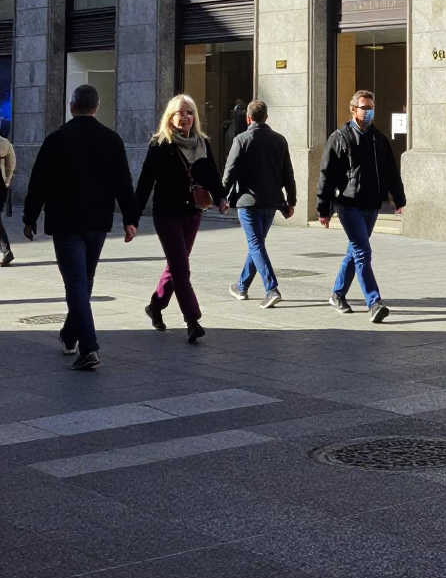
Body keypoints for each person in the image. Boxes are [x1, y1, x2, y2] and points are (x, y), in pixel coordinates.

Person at [22, 84, 137, 370]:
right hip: (98, 221)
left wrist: (29, 218)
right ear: (96, 107)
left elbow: (38, 181)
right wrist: (130, 218)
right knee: (85, 279)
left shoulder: (56, 139)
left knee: (75, 281)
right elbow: (124, 182)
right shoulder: (111, 139)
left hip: (66, 221)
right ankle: (69, 334)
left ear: (71, 107)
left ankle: (88, 347)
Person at [136, 94, 228, 341]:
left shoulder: (202, 143)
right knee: (181, 266)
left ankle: (155, 306)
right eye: (180, 112)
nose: (185, 117)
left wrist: (220, 198)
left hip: (193, 212)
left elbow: (212, 174)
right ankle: (192, 320)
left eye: (189, 113)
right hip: (166, 213)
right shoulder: (160, 144)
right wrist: (132, 218)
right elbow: (145, 182)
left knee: (177, 263)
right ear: (170, 117)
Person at [317, 89, 406, 323]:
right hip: (349, 204)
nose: (368, 112)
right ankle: (374, 302)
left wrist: (399, 198)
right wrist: (323, 208)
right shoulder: (340, 137)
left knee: (355, 251)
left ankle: (337, 294)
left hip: (372, 204)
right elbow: (327, 175)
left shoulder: (379, 139)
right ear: (353, 109)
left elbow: (391, 170)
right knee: (363, 251)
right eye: (364, 108)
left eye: (371, 108)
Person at [223, 99, 297, 308]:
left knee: (255, 244)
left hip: (248, 202)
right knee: (257, 244)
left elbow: (230, 171)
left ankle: (271, 288)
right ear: (266, 117)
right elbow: (288, 173)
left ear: (248, 118)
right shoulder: (279, 140)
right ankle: (241, 286)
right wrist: (291, 201)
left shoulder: (241, 139)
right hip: (271, 202)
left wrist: (221, 197)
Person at [0, 132, 16, 266]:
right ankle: (6, 251)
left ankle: (6, 250)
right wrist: (7, 181)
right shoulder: (5, 143)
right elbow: (11, 164)